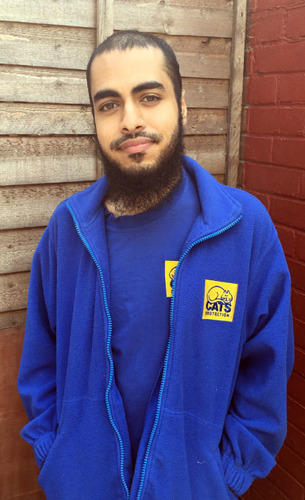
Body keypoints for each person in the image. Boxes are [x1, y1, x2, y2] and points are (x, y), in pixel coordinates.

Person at [17, 30, 294, 500]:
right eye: (108, 104)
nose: (130, 120)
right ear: (95, 119)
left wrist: (226, 475)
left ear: (182, 106)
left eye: (149, 96)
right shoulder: (68, 230)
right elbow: (41, 356)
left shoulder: (242, 227)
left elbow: (267, 366)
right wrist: (54, 449)